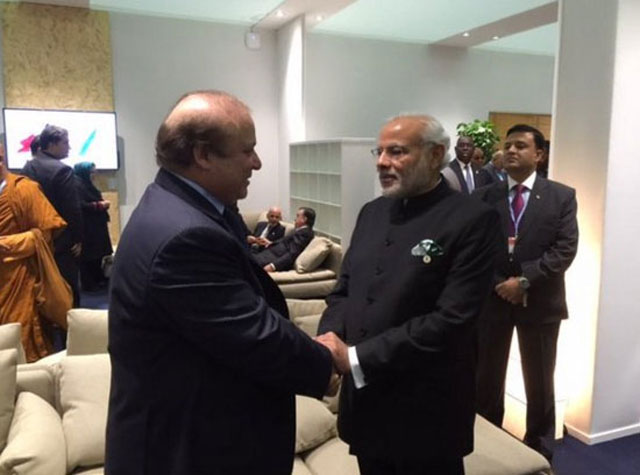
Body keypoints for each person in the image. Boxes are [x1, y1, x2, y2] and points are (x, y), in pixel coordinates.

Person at [105, 90, 334, 475]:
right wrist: (325, 362)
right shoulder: (185, 237)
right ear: (202, 155)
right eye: (247, 150)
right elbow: (254, 335)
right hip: (192, 454)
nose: (258, 163)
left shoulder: (179, 204)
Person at [316, 115, 500, 475]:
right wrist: (329, 342)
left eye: (397, 152)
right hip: (366, 406)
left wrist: (354, 357)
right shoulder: (372, 212)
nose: (382, 162)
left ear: (435, 155)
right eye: (379, 151)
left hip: (427, 411)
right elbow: (344, 290)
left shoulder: (473, 219)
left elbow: (452, 320)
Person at [473, 124, 578, 461]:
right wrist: (498, 284)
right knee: (487, 376)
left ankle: (539, 446)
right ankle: (488, 441)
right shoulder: (483, 197)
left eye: (520, 145)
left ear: (539, 154)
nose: (511, 151)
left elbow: (565, 249)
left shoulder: (561, 196)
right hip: (493, 301)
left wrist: (524, 281)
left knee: (540, 380)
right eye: (508, 145)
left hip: (541, 302)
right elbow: (474, 251)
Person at [0, 142, 70, 362]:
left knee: (22, 339)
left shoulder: (23, 189)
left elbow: (45, 233)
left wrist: (11, 243)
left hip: (20, 279)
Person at [22, 124, 83, 308]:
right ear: (52, 144)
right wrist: (79, 238)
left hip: (36, 239)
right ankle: (71, 334)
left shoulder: (27, 167)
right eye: (65, 143)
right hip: (62, 241)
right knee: (68, 290)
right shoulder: (62, 170)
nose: (69, 147)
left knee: (42, 291)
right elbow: (72, 208)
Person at [73, 162, 113, 291]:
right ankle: (90, 284)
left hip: (96, 226)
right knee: (89, 256)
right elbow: (81, 205)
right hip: (88, 227)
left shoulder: (86, 184)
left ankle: (98, 279)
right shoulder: (77, 185)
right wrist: (99, 205)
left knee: (98, 255)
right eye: (92, 172)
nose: (94, 175)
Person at [252, 207, 315, 272]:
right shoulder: (300, 231)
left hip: (272, 258)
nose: (295, 219)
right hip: (267, 253)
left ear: (304, 219)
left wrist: (273, 266)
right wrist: (270, 243)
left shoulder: (305, 233)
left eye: (298, 216)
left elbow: (292, 254)